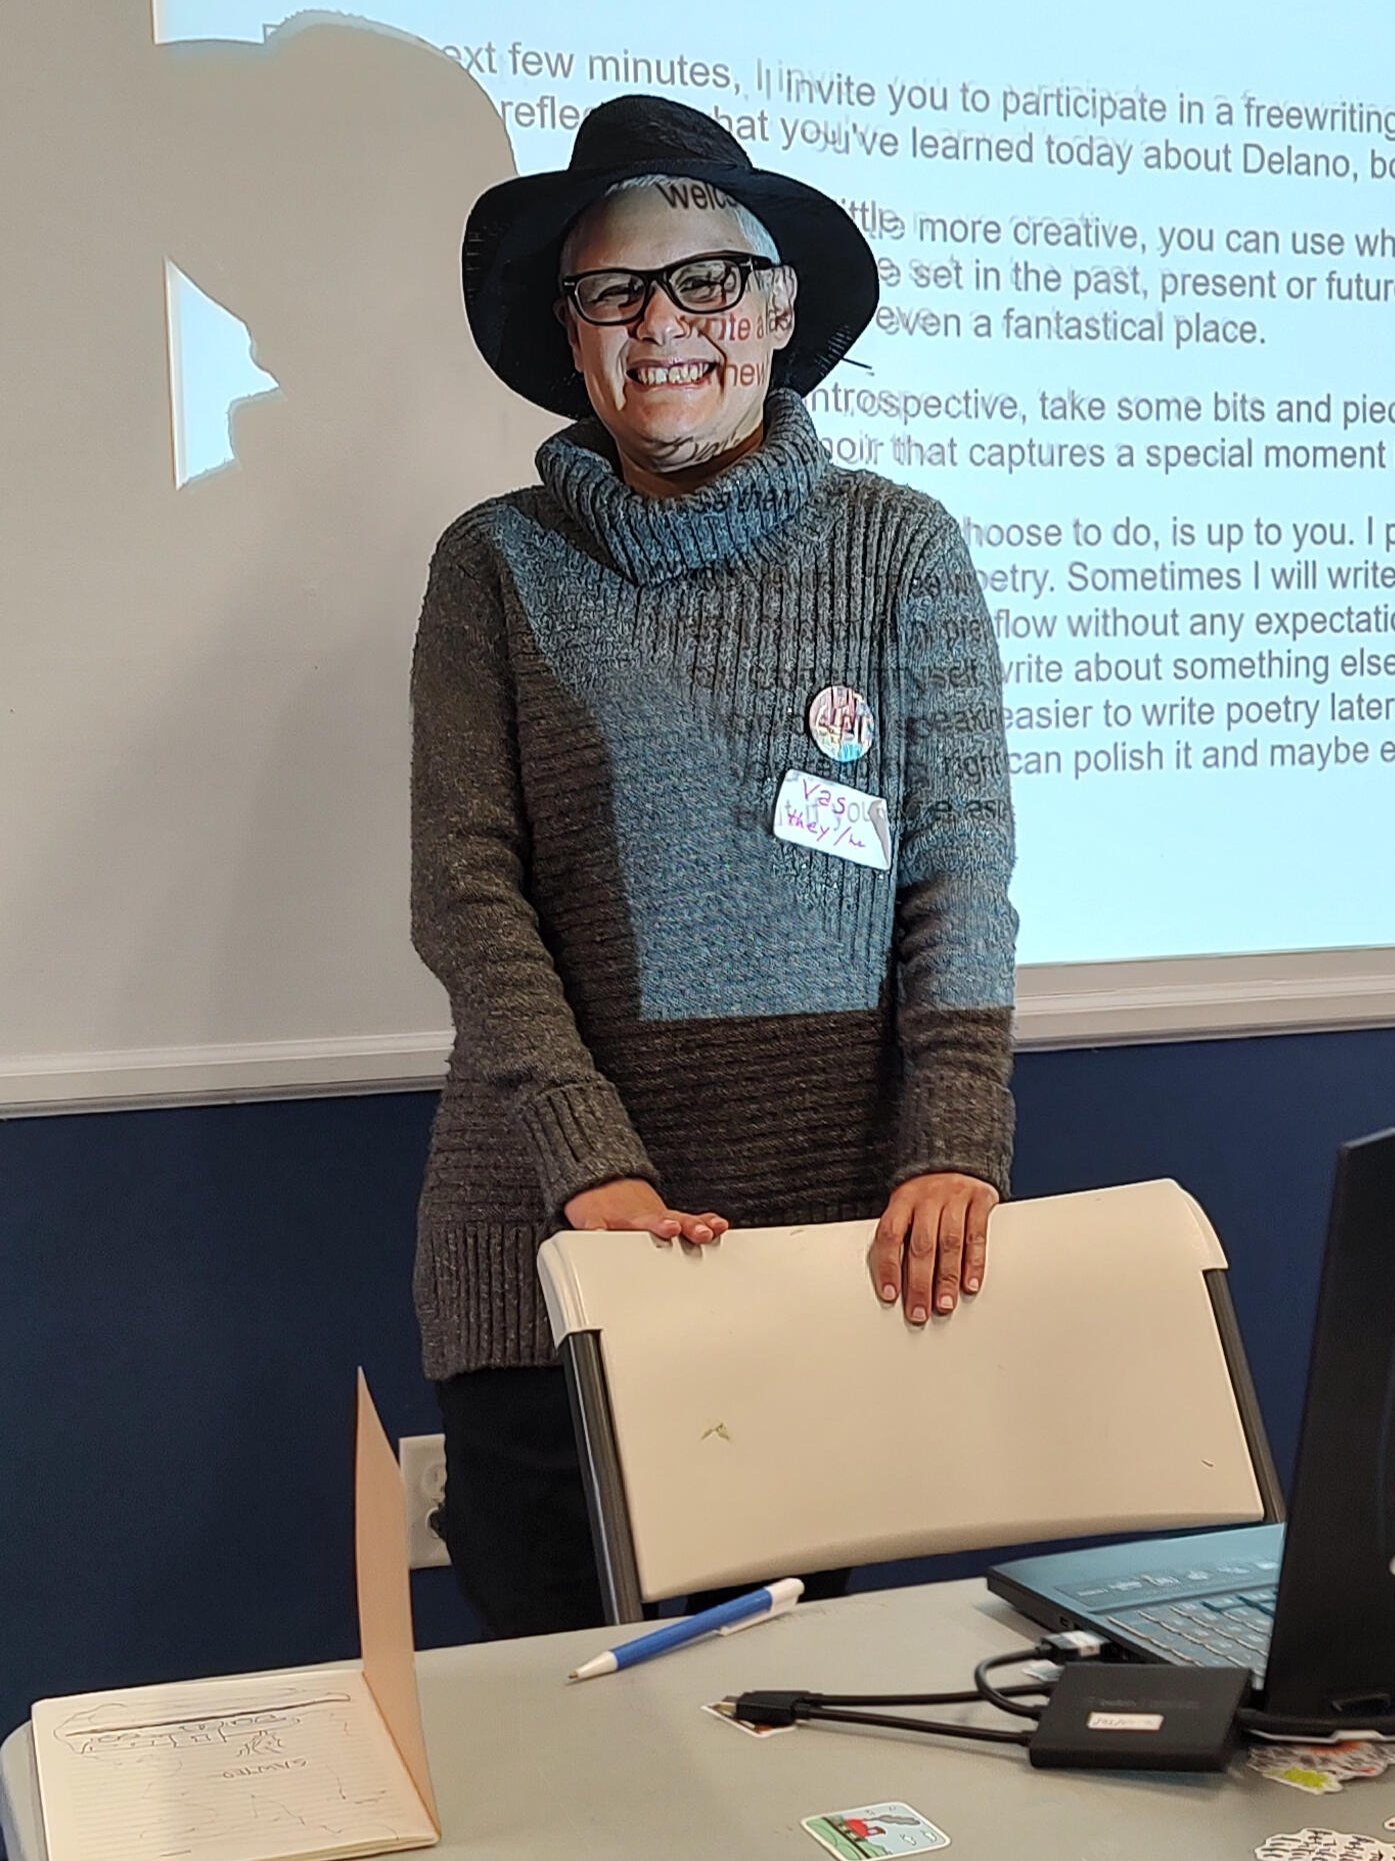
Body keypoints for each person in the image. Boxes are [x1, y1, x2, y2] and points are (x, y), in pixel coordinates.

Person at [411, 94, 1018, 1636]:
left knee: (787, 1709)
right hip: (559, 1224)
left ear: (780, 308)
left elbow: (957, 867)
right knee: (569, 1712)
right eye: (613, 289)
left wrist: (955, 1133)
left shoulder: (899, 547)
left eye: (706, 280)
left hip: (827, 1233)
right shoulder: (495, 559)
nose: (662, 323)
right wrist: (587, 1163)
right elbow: (465, 887)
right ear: (568, 331)